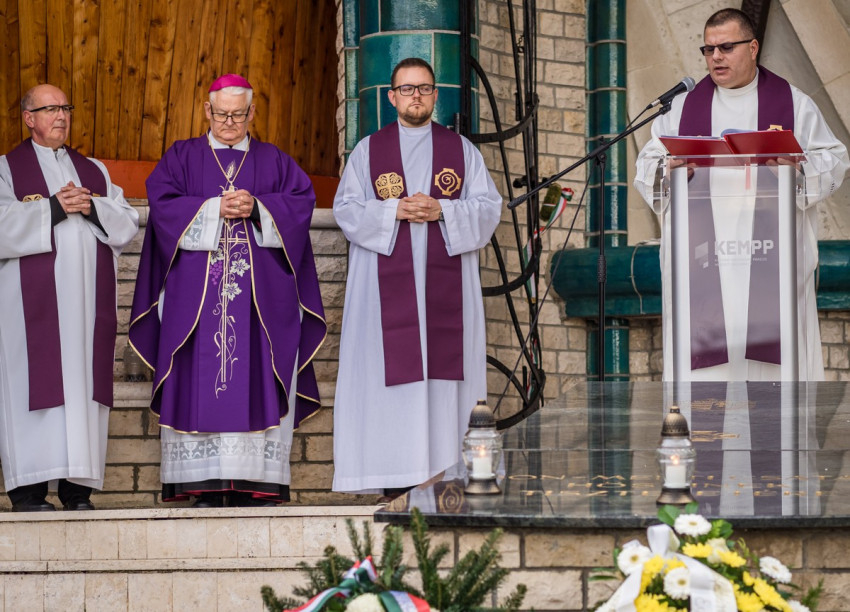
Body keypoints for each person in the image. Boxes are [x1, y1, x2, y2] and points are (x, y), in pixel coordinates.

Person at [129, 74, 326, 507]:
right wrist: (211, 208)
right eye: (222, 115)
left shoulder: (275, 161)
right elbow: (161, 204)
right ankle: (202, 484)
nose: (230, 123)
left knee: (259, 371)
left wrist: (259, 208)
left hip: (259, 305)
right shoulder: (181, 157)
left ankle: (257, 482)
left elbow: (301, 203)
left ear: (252, 112)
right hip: (196, 304)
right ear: (207, 110)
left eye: (238, 114)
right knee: (195, 376)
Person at [634, 8, 849, 382]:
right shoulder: (680, 110)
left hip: (771, 265)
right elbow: (647, 167)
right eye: (709, 49)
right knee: (705, 389)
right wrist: (666, 172)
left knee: (774, 384)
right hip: (702, 267)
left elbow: (835, 160)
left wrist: (798, 170)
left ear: (752, 48)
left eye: (726, 47)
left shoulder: (794, 104)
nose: (716, 57)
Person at [332, 58, 502, 497]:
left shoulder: (461, 151)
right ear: (392, 97)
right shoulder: (368, 151)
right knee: (390, 378)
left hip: (446, 296)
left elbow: (489, 209)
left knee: (443, 381)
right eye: (406, 89)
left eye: (424, 88)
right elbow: (346, 209)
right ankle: (394, 477)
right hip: (384, 297)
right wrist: (394, 210)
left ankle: (444, 476)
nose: (416, 97)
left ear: (435, 95)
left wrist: (442, 209)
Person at [0, 84, 139, 511]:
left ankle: (76, 491)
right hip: (31, 311)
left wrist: (92, 206)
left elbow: (127, 221)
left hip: (86, 310)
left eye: (65, 108)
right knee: (31, 389)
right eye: (50, 109)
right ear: (29, 118)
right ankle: (29, 493)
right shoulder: (7, 169)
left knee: (82, 392)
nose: (61, 115)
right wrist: (55, 207)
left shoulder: (92, 170)